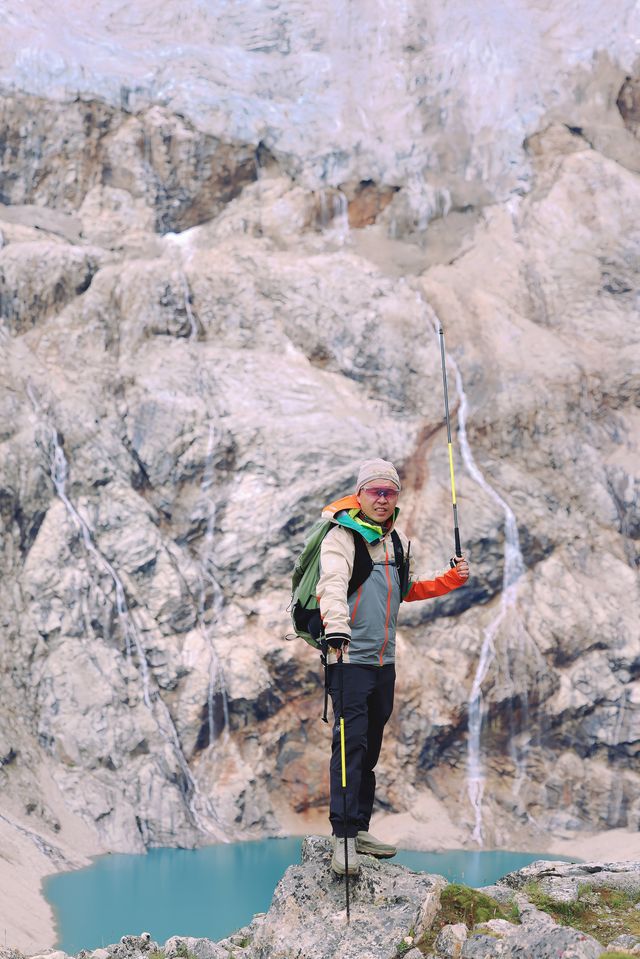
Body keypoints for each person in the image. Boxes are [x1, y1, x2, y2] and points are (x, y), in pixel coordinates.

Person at [316, 458, 470, 876]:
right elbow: (330, 584)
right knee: (350, 746)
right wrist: (336, 629)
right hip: (348, 657)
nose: (382, 499)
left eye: (389, 492)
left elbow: (405, 589)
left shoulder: (395, 541)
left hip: (384, 661)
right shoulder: (342, 537)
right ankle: (343, 839)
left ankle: (360, 829)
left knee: (371, 746)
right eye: (375, 492)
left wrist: (449, 581)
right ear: (360, 494)